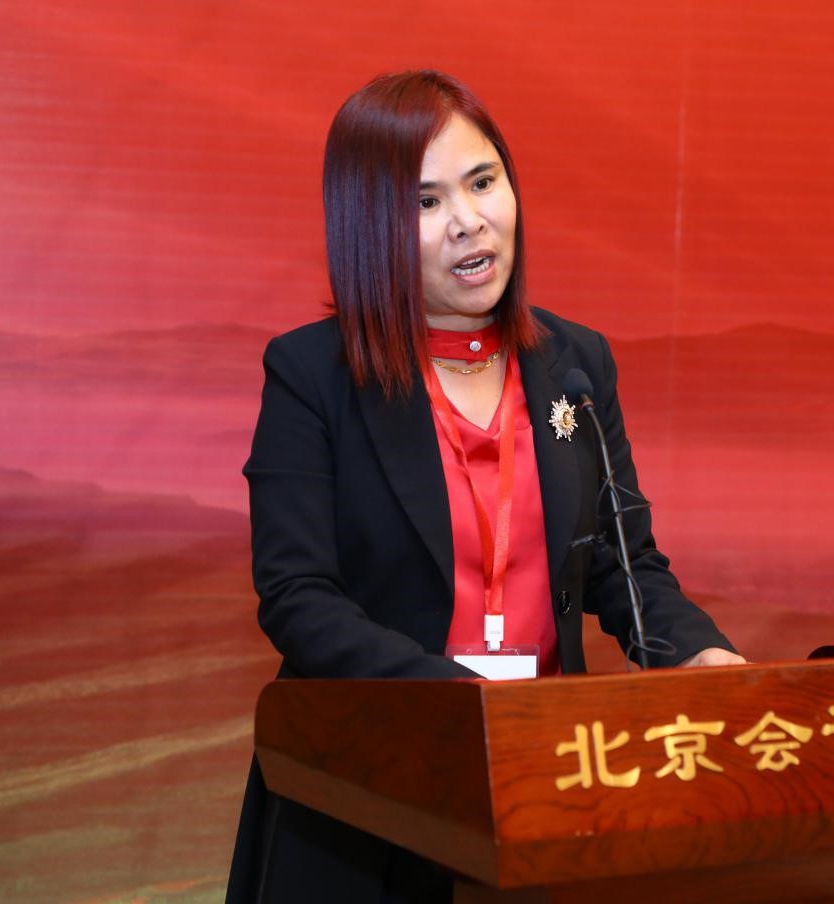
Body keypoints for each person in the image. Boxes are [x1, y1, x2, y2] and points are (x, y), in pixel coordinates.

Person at [226, 70, 745, 903]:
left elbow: (626, 567)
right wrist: (460, 706)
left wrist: (701, 654)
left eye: (482, 181)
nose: (469, 220)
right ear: (368, 225)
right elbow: (298, 598)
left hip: (547, 792)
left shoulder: (575, 364)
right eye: (425, 202)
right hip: (368, 801)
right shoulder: (313, 374)